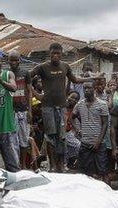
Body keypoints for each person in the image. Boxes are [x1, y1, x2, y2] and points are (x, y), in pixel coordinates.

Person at [30, 42, 89, 172]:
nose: (55, 56)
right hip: (47, 107)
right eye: (53, 54)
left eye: (58, 53)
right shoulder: (42, 67)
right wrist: (35, 93)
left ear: (61, 54)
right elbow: (28, 76)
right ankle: (52, 165)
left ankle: (61, 164)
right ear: (49, 54)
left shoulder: (65, 66)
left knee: (61, 137)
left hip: (62, 107)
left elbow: (75, 80)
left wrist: (93, 78)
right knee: (50, 136)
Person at [73, 81, 109, 181]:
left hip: (99, 143)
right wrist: (77, 130)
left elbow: (105, 124)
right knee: (85, 174)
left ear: (94, 89)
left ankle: (108, 194)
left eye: (89, 88)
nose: (86, 90)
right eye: (84, 88)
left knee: (103, 172)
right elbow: (72, 117)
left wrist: (98, 141)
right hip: (85, 143)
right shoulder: (80, 104)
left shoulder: (102, 104)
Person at [8, 50, 33, 169]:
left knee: (24, 140)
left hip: (23, 110)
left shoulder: (25, 73)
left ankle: (23, 165)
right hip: (10, 112)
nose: (13, 62)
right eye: (11, 60)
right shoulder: (6, 74)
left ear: (19, 60)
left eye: (15, 60)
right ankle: (15, 164)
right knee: (12, 141)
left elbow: (29, 92)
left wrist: (30, 110)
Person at [64, 91, 81, 169]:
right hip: (61, 132)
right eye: (72, 97)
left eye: (75, 99)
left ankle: (70, 163)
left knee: (79, 146)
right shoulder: (63, 105)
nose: (73, 99)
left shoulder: (75, 109)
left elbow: (75, 119)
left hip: (68, 132)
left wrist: (77, 130)